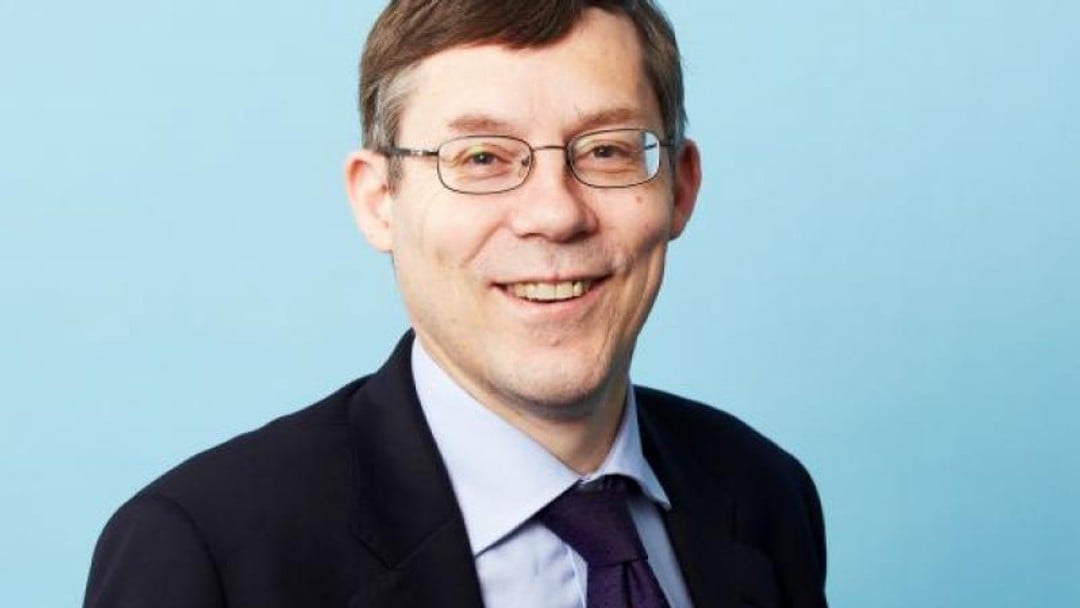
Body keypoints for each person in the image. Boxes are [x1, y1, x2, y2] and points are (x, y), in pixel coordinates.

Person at [83, 1, 827, 607]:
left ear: (681, 188)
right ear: (379, 201)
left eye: (606, 150)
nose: (554, 214)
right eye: (481, 158)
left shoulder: (763, 493)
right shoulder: (207, 553)